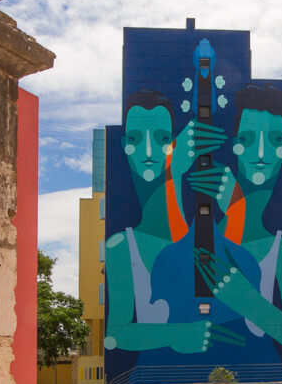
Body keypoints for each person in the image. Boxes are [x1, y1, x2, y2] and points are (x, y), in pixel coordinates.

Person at [104, 90, 243, 354]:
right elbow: (115, 334)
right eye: (135, 138)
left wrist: (238, 209)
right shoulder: (120, 246)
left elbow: (235, 278)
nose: (147, 151)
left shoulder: (201, 238)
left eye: (161, 139)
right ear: (124, 145)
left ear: (174, 145)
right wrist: (176, 334)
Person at [189, 84, 282, 353]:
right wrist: (236, 209)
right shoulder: (200, 234)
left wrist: (247, 299)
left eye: (275, 140)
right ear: (236, 144)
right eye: (249, 139)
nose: (261, 153)